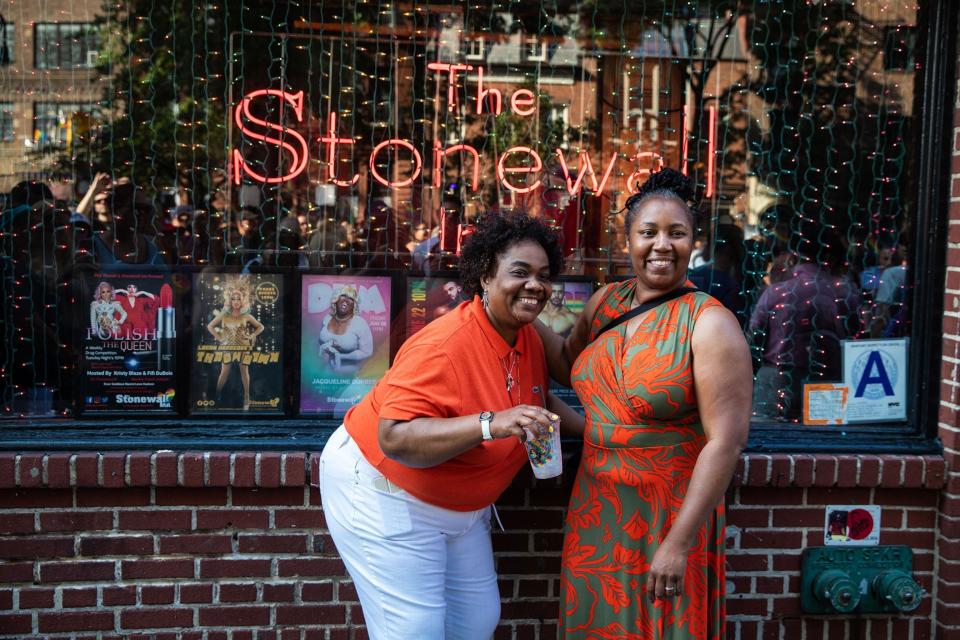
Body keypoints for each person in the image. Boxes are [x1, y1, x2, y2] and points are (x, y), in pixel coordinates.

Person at [319, 211, 584, 640]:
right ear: (484, 275)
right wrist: (490, 424)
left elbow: (539, 396)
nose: (535, 284)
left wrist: (592, 432)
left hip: (460, 505)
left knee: (476, 620)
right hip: (384, 490)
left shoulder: (525, 332)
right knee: (414, 630)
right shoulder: (444, 345)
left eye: (543, 275)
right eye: (520, 272)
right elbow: (395, 436)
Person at [535, 168, 751, 638]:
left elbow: (725, 443)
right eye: (648, 232)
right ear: (627, 238)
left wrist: (680, 541)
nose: (661, 245)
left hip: (669, 515)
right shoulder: (606, 303)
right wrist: (511, 304)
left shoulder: (710, 323)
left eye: (677, 233)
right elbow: (564, 364)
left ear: (694, 242)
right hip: (597, 507)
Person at [749, 227, 860, 421]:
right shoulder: (842, 290)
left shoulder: (777, 291)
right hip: (827, 379)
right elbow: (855, 332)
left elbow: (754, 334)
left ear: (794, 256)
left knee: (768, 436)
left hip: (777, 377)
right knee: (824, 439)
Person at [205, 279, 264, 410]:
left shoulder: (246, 315)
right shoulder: (224, 315)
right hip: (227, 346)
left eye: (238, 299)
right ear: (230, 301)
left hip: (243, 346)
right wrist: (219, 337)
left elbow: (260, 327)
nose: (236, 301)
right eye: (233, 299)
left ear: (242, 300)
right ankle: (217, 396)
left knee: (244, 372)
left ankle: (247, 398)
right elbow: (210, 326)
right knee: (224, 372)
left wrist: (252, 336)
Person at [317, 284, 374, 375]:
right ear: (336, 299)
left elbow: (367, 352)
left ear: (354, 304)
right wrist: (325, 349)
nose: (346, 300)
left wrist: (342, 356)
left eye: (351, 298)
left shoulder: (360, 323)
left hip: (349, 377)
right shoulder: (327, 318)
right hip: (324, 373)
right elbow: (320, 341)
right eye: (343, 295)